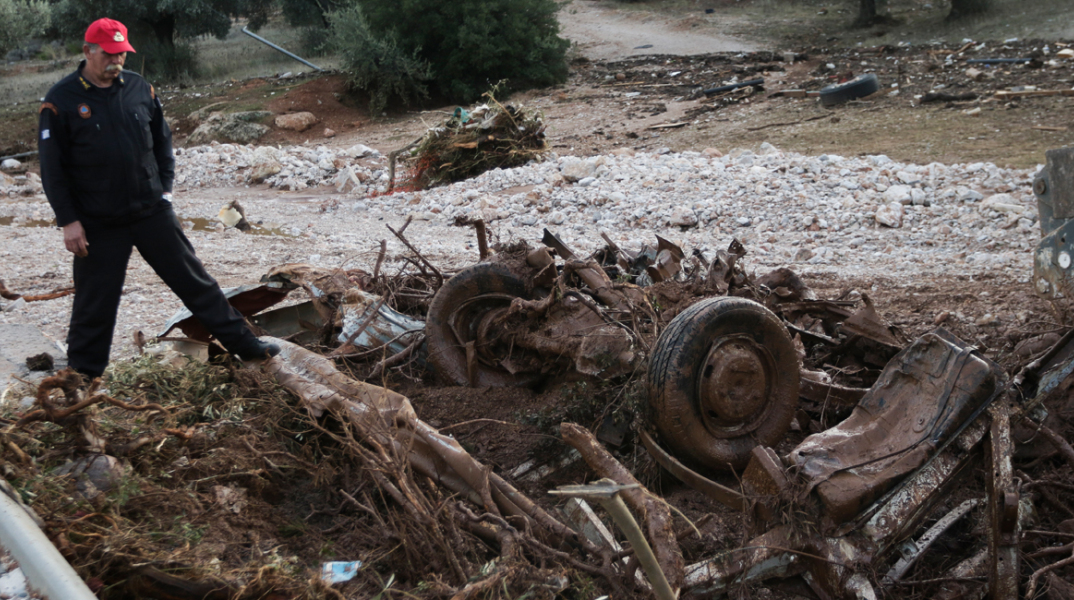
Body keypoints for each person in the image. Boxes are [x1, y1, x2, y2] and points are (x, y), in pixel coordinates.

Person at [38, 17, 278, 379]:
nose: (116, 61)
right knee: (95, 303)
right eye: (108, 54)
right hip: (99, 222)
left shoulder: (140, 89)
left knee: (198, 285)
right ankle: (83, 379)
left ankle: (246, 346)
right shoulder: (61, 101)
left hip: (151, 212)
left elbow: (163, 143)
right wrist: (68, 221)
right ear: (88, 51)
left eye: (122, 54)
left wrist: (165, 190)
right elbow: (52, 170)